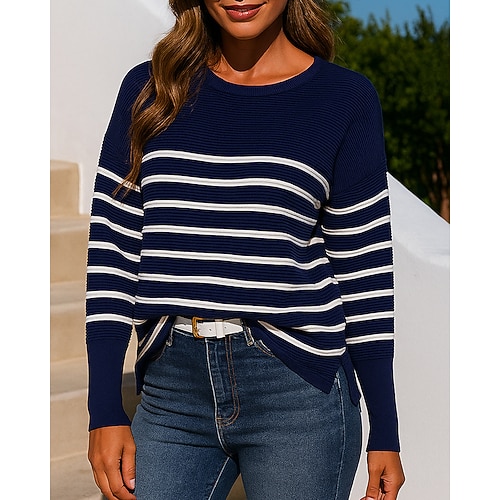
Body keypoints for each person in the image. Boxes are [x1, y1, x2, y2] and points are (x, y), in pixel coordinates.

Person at [85, 0, 405, 498]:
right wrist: (103, 407)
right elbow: (113, 250)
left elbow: (364, 271)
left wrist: (385, 427)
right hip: (171, 390)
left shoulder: (343, 98)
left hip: (297, 389)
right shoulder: (149, 89)